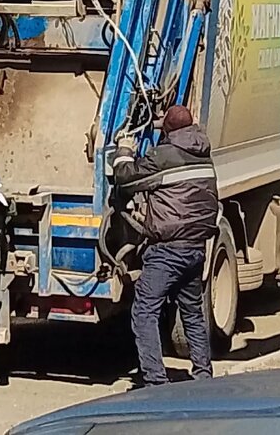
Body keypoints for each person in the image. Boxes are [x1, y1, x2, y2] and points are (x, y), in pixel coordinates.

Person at [108, 105, 219, 388]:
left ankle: (156, 381)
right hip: (196, 248)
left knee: (144, 311)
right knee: (192, 312)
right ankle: (203, 376)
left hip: (168, 251)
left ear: (168, 130)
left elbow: (126, 178)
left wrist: (124, 150)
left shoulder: (164, 155)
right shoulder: (204, 154)